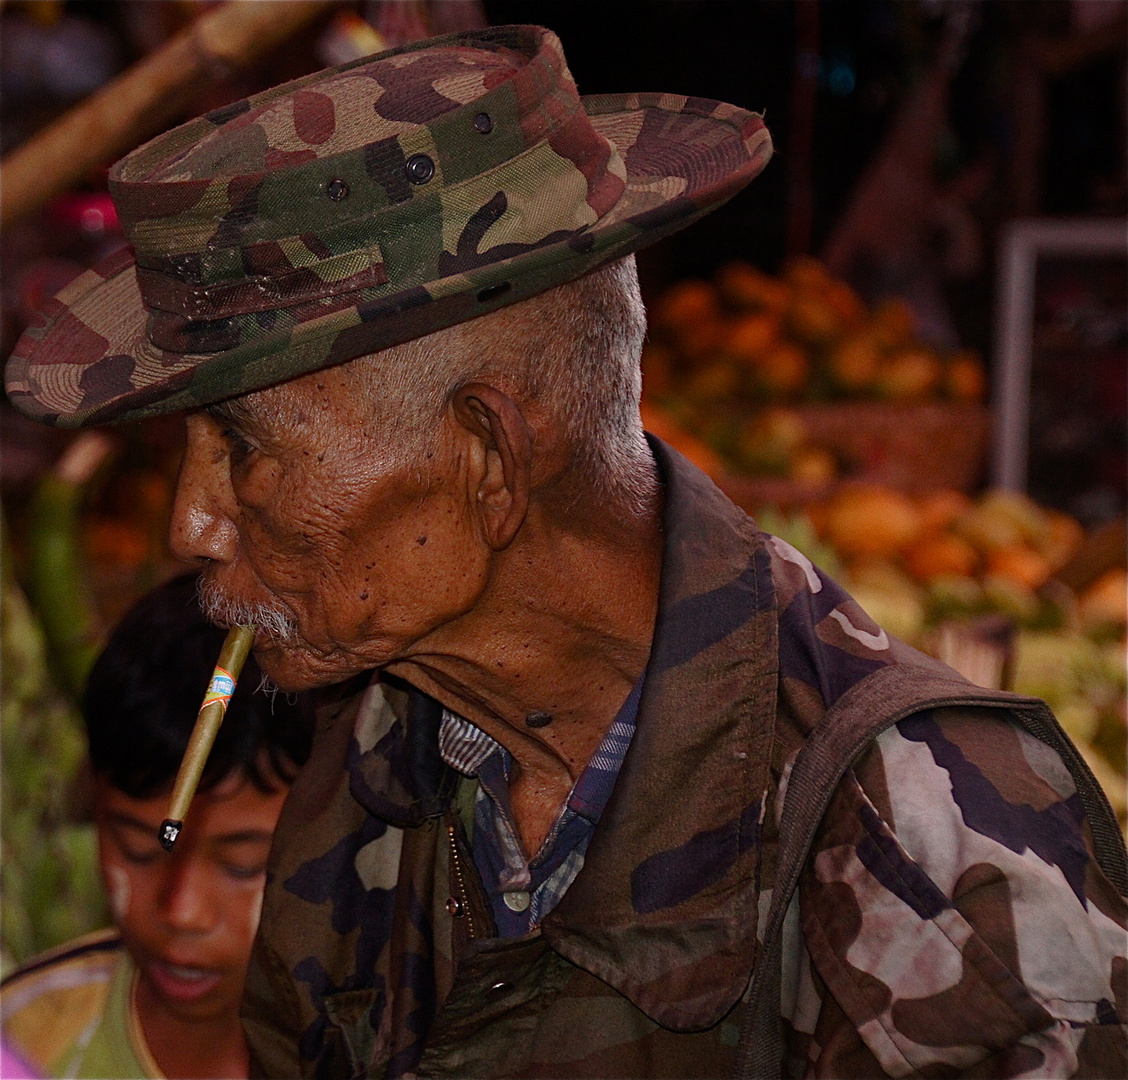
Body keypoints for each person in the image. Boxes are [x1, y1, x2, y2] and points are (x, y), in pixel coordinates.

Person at [5, 24, 1125, 1080]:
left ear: (489, 456)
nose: (189, 523)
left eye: (242, 449)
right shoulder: (370, 745)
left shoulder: (935, 862)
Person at [0, 573, 312, 1079]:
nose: (183, 912)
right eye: (135, 848)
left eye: (244, 863)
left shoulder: (399, 1048)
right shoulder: (26, 1041)